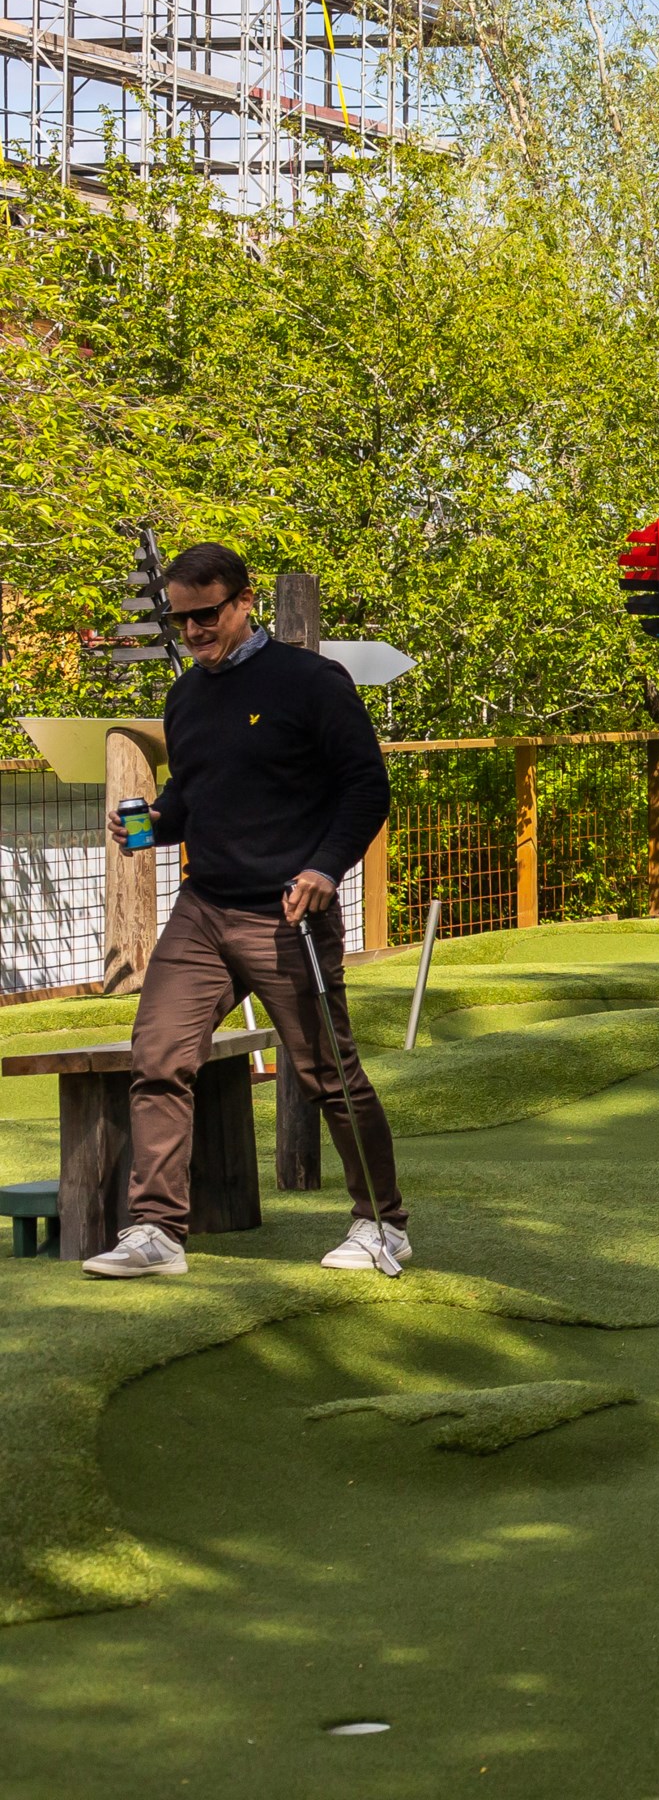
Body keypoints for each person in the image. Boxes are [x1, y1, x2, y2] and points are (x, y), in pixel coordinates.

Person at [83, 542, 409, 1280]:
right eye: (181, 619)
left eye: (206, 616)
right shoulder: (186, 696)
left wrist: (326, 868)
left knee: (328, 1073)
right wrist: (149, 824)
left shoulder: (310, 683)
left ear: (243, 604)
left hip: (287, 912)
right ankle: (157, 1233)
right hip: (203, 910)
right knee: (158, 1058)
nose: (193, 631)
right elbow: (190, 800)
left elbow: (366, 787)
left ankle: (383, 1224)